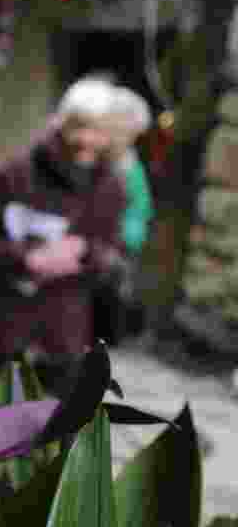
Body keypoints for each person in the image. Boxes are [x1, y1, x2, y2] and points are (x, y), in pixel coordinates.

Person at [0, 78, 128, 398]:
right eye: (78, 128)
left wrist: (86, 252)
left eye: (97, 131)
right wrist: (27, 258)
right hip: (10, 319)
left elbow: (112, 251)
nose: (86, 140)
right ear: (62, 125)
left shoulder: (111, 186)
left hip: (65, 329)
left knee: (55, 424)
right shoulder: (17, 174)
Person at [95, 86, 154, 342]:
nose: (126, 138)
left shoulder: (131, 166)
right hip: (84, 241)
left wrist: (127, 236)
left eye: (132, 134)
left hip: (114, 247)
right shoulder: (89, 155)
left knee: (112, 289)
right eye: (123, 130)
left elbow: (140, 208)